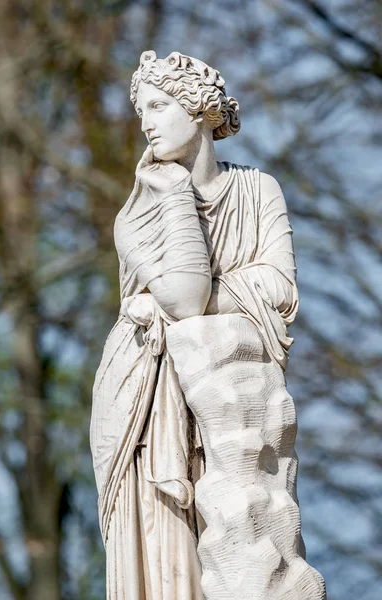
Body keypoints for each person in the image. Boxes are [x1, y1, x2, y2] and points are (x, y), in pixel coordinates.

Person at [90, 50, 299, 599]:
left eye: (158, 106)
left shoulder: (258, 190)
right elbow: (186, 301)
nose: (147, 123)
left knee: (252, 548)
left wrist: (214, 299)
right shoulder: (139, 213)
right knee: (168, 555)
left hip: (236, 388)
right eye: (142, 112)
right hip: (148, 390)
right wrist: (178, 197)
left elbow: (282, 289)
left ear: (199, 108)